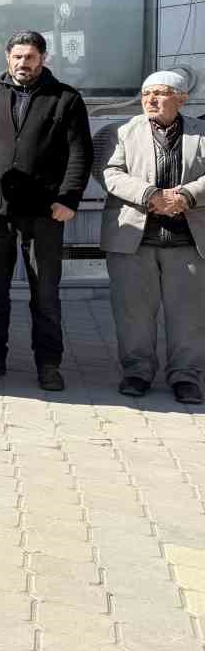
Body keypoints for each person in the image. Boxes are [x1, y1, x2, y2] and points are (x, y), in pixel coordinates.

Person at [0, 30, 93, 392]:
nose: (24, 63)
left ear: (43, 59)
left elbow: (80, 153)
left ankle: (48, 363)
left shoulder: (66, 99)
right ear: (7, 57)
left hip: (45, 213)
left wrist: (68, 199)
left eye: (31, 57)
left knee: (45, 293)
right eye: (18, 56)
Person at [100, 71, 205, 405]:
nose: (151, 100)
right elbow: (109, 173)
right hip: (133, 239)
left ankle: (186, 376)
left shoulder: (201, 132)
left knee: (189, 315)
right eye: (146, 94)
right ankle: (137, 371)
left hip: (188, 240)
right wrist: (150, 195)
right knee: (132, 312)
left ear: (182, 98)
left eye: (160, 93)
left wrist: (187, 195)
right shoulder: (121, 132)